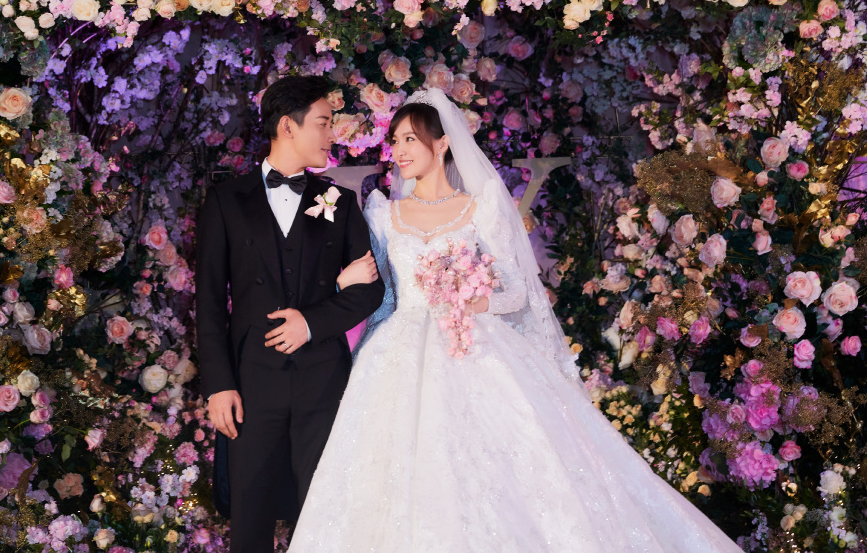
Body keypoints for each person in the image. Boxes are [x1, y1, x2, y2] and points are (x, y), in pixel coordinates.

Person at [288, 89, 743, 552]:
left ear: (441, 144)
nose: (399, 151)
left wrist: (469, 299)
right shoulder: (383, 214)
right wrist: (353, 315)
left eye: (410, 139)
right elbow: (383, 297)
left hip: (472, 344)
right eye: (394, 140)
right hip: (398, 354)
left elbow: (515, 291)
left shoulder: (478, 207)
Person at [195, 75, 385, 553]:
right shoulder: (226, 200)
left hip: (323, 382)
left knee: (321, 517)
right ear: (287, 126)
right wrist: (219, 385)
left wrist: (311, 322)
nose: (331, 134)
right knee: (250, 516)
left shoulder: (338, 201)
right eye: (323, 123)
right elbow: (210, 303)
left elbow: (370, 291)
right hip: (252, 383)